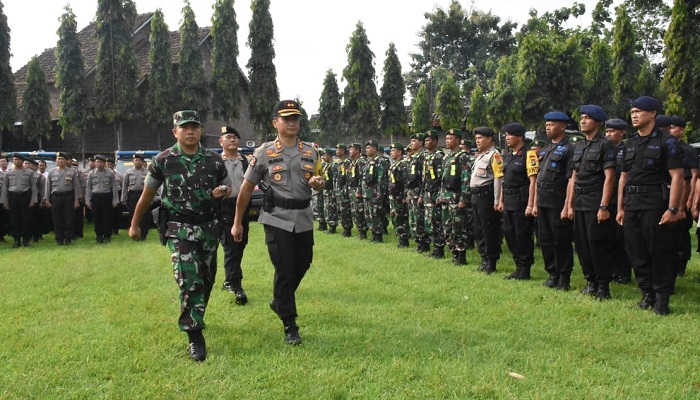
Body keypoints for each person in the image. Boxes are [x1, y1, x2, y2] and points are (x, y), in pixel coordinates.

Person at [129, 110, 231, 362]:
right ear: (175, 131)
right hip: (178, 228)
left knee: (206, 280)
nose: (190, 131)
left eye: (194, 127)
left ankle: (197, 314)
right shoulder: (163, 160)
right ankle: (194, 334)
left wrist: (223, 192)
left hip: (208, 228)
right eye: (184, 127)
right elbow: (147, 195)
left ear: (201, 131)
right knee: (189, 279)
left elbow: (227, 187)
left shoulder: (214, 160)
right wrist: (134, 224)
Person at [232, 100, 324, 346]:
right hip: (276, 217)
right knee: (284, 269)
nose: (292, 122)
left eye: (295, 118)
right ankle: (290, 325)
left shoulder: (311, 151)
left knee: (303, 264)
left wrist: (318, 182)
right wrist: (237, 222)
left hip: (303, 218)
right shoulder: (264, 152)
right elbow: (246, 188)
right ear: (275, 123)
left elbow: (319, 177)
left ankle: (279, 301)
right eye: (286, 118)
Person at [617, 96, 684, 315]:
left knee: (659, 251)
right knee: (636, 251)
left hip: (655, 204)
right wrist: (620, 208)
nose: (634, 115)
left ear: (653, 113)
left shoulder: (667, 142)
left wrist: (673, 209)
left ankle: (662, 299)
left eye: (639, 111)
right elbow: (623, 178)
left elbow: (677, 177)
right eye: (632, 111)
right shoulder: (630, 143)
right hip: (632, 204)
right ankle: (647, 294)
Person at [564, 105, 617, 299]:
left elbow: (610, 177)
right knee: (582, 244)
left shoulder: (606, 144)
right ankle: (591, 281)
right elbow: (573, 177)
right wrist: (569, 204)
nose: (582, 120)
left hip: (596, 200)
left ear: (598, 121)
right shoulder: (578, 146)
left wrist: (604, 206)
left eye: (587, 118)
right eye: (582, 117)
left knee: (598, 243)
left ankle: (603, 285)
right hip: (579, 200)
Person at [533, 112, 575, 290]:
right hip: (543, 200)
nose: (547, 127)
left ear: (563, 127)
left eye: (552, 124)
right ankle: (552, 273)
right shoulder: (546, 149)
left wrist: (567, 205)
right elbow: (538, 178)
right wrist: (534, 203)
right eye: (547, 124)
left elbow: (571, 179)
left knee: (561, 240)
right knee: (545, 239)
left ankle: (564, 277)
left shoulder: (569, 149)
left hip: (558, 202)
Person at [498, 123, 538, 280]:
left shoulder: (529, 155)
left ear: (520, 136)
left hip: (521, 201)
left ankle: (525, 268)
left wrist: (530, 204)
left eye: (510, 135)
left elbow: (533, 181)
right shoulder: (508, 156)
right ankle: (517, 266)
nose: (507, 138)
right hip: (508, 200)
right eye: (506, 135)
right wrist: (501, 200)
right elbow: (504, 181)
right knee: (509, 234)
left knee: (522, 235)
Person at [218, 126, 250, 305]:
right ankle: (234, 283)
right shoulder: (216, 161)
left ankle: (230, 277)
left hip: (243, 207)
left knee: (241, 244)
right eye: (228, 137)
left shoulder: (245, 160)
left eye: (235, 137)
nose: (232, 140)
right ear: (220, 141)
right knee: (230, 245)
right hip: (224, 207)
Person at [667, 115, 698, 277]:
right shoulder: (665, 147)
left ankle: (681, 265)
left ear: (681, 130)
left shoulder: (688, 150)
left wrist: (689, 201)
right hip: (668, 195)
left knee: (681, 234)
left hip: (683, 197)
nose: (670, 130)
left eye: (673, 127)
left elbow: (693, 176)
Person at [469, 127, 504, 273]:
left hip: (486, 195)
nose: (477, 141)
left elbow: (498, 178)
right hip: (476, 195)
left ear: (489, 139)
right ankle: (484, 258)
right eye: (476, 138)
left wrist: (497, 200)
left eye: (480, 138)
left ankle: (491, 261)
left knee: (489, 228)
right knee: (478, 229)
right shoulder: (480, 156)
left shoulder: (494, 156)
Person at [605, 118, 633, 284]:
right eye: (607, 131)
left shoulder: (627, 148)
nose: (608, 134)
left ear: (622, 132)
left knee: (621, 237)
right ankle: (612, 270)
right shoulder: (604, 148)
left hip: (621, 197)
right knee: (608, 237)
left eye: (612, 131)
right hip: (606, 197)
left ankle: (624, 272)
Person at [439, 129, 471, 265]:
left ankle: (461, 255)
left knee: (458, 227)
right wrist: (440, 195)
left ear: (457, 140)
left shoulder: (462, 156)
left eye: (450, 138)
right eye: (446, 138)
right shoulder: (446, 157)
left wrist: (463, 198)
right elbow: (443, 179)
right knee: (447, 227)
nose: (447, 141)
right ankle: (453, 253)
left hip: (456, 197)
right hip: (446, 197)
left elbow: (465, 178)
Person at [0, 154, 38, 247]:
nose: (16, 161)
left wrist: (33, 200)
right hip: (13, 197)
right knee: (14, 219)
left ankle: (26, 240)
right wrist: (4, 201)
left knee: (26, 219)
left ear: (22, 161)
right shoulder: (9, 172)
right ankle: (16, 240)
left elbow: (33, 187)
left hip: (25, 197)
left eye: (17, 159)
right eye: (14, 159)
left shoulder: (29, 172)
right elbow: (5, 187)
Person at [44, 152, 80, 245]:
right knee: (57, 219)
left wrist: (76, 200)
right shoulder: (52, 172)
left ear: (66, 161)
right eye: (59, 159)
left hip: (68, 197)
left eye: (62, 159)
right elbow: (48, 187)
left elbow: (76, 186)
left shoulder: (72, 172)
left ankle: (68, 238)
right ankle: (59, 238)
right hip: (56, 197)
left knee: (68, 218)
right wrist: (47, 199)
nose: (60, 161)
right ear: (56, 160)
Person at [422, 130, 445, 258]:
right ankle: (434, 247)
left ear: (435, 142)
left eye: (429, 140)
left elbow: (441, 178)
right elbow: (424, 178)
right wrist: (422, 194)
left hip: (436, 193)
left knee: (436, 221)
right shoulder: (427, 157)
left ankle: (439, 248)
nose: (426, 142)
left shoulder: (438, 156)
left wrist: (440, 195)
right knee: (429, 222)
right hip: (428, 193)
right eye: (425, 140)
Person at [86, 154, 119, 243]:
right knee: (97, 217)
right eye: (97, 162)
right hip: (96, 197)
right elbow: (88, 188)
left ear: (104, 163)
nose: (99, 164)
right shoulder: (91, 173)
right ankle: (99, 236)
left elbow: (114, 187)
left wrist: (115, 200)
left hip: (107, 196)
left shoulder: (110, 173)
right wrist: (88, 200)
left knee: (107, 217)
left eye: (101, 162)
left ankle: (107, 235)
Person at [362, 139, 389, 243]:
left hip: (375, 194)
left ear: (375, 148)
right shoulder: (369, 161)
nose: (367, 150)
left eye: (369, 148)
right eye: (366, 148)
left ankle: (378, 235)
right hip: (367, 193)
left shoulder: (380, 161)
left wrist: (379, 193)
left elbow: (381, 179)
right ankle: (373, 233)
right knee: (368, 215)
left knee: (375, 214)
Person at [406, 133, 429, 252]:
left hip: (418, 193)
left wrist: (421, 194)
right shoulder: (413, 157)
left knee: (420, 219)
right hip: (411, 193)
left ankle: (424, 244)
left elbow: (424, 178)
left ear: (421, 143)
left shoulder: (423, 156)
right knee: (413, 219)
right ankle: (418, 242)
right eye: (411, 141)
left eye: (414, 141)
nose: (411, 143)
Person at [121, 152, 150, 241]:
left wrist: (152, 198)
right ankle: (135, 233)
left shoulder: (147, 172)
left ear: (142, 162)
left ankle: (143, 234)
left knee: (144, 215)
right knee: (133, 214)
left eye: (139, 160)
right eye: (136, 160)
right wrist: (123, 198)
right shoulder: (128, 172)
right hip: (132, 195)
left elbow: (151, 185)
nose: (137, 162)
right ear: (133, 161)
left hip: (143, 194)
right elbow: (125, 186)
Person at [387, 142, 410, 247]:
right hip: (394, 196)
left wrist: (405, 196)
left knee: (401, 217)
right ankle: (400, 237)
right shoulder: (394, 165)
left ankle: (404, 239)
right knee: (395, 217)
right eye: (391, 151)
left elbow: (406, 182)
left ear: (400, 152)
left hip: (400, 196)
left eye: (393, 150)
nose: (391, 153)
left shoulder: (403, 164)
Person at [348, 143, 368, 239]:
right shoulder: (353, 162)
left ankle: (363, 232)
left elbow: (362, 178)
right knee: (355, 211)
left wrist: (359, 190)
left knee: (359, 211)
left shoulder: (361, 161)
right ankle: (360, 231)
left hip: (357, 190)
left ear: (357, 151)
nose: (350, 151)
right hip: (352, 189)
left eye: (352, 149)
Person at [334, 144, 353, 237]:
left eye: (339, 149)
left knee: (346, 210)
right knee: (341, 210)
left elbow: (348, 178)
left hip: (345, 191)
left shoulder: (347, 162)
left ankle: (347, 229)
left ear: (344, 151)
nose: (337, 151)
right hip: (339, 191)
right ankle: (345, 227)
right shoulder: (339, 162)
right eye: (336, 149)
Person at [321, 148, 338, 234]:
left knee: (331, 209)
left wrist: (335, 191)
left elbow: (335, 179)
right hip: (326, 190)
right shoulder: (326, 165)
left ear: (330, 156)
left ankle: (333, 226)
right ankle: (329, 226)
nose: (323, 157)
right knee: (327, 208)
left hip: (331, 190)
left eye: (325, 155)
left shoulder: (334, 165)